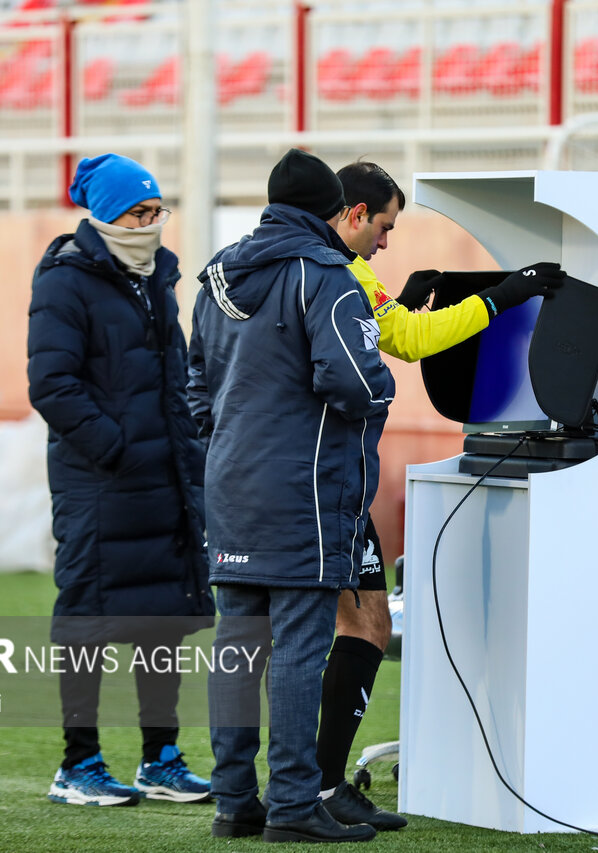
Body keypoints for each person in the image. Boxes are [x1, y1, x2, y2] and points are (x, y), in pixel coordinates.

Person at [309, 159, 565, 830]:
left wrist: (399, 299)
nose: (388, 241)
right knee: (336, 626)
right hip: (319, 480)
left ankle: (315, 783)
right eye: (386, 227)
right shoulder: (331, 273)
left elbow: (398, 334)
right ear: (356, 215)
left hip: (332, 478)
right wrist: (505, 297)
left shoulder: (347, 273)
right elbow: (415, 342)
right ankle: (310, 787)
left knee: (360, 623)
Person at [187, 148, 392, 844]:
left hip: (232, 484)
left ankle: (233, 800)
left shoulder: (216, 275)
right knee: (302, 647)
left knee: (238, 648)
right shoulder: (326, 275)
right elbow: (355, 381)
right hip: (304, 488)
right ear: (331, 210)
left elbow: (196, 389)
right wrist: (384, 386)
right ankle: (296, 802)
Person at [27, 153, 214, 807]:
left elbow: (175, 375)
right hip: (100, 484)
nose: (151, 222)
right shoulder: (64, 281)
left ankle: (160, 756)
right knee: (85, 620)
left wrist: (184, 452)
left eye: (157, 210)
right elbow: (51, 384)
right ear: (106, 214)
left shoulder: (156, 279)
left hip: (163, 481)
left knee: (160, 620)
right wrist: (118, 448)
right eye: (140, 212)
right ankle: (78, 763)